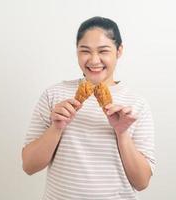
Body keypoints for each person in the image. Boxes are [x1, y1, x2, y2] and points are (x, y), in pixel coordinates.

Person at [22, 16, 156, 200]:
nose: (94, 60)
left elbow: (142, 182)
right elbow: (29, 166)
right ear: (77, 52)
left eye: (103, 51)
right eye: (85, 51)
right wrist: (56, 128)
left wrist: (122, 133)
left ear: (119, 51)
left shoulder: (136, 104)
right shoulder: (54, 95)